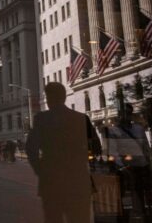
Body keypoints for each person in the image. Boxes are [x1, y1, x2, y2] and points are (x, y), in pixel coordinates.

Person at [26, 82, 100, 223]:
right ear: (64, 97)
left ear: (49, 98)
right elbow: (96, 147)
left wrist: (41, 170)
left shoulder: (41, 119)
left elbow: (30, 149)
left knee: (54, 219)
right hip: (78, 179)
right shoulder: (81, 118)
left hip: (51, 181)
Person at [105, 104, 152, 221]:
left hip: (142, 166)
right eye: (123, 113)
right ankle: (125, 216)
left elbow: (146, 148)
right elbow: (113, 151)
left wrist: (151, 166)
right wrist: (122, 167)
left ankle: (146, 214)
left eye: (128, 113)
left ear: (131, 114)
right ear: (119, 115)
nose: (126, 116)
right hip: (126, 168)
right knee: (124, 196)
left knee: (144, 192)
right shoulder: (113, 130)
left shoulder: (139, 129)